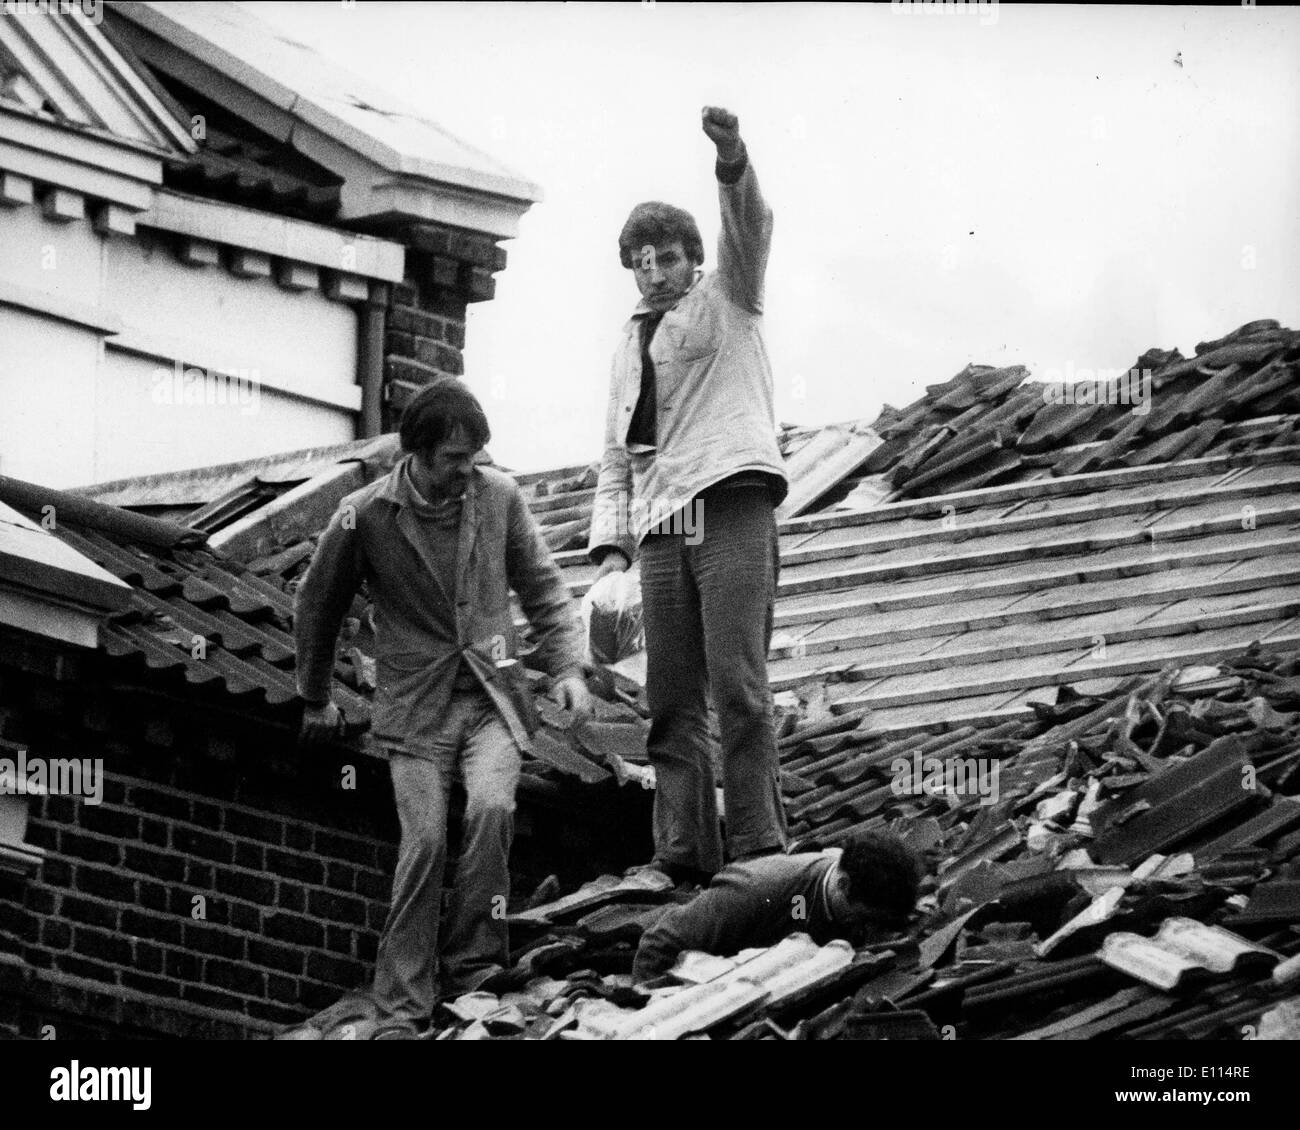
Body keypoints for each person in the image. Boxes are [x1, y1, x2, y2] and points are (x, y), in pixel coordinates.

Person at [295, 379, 592, 1037]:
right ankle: (403, 996)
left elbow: (545, 588)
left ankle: (474, 964)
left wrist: (567, 667)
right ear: (419, 454)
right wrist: (315, 696)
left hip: (492, 697)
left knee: (492, 810)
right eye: (456, 458)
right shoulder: (364, 514)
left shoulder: (500, 498)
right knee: (425, 840)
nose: (469, 469)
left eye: (476, 455)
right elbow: (318, 606)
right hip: (415, 705)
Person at [588, 106, 790, 885]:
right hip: (664, 522)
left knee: (738, 682)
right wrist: (612, 547)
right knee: (670, 695)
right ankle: (680, 853)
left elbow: (750, 225)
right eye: (641, 261)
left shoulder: (730, 295)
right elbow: (615, 448)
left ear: (692, 259)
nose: (654, 272)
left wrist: (732, 157)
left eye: (667, 258)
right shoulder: (626, 344)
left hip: (732, 499)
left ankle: (759, 847)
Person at [632, 832, 923, 983]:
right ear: (843, 885)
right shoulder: (757, 890)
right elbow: (658, 945)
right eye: (865, 919)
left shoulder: (866, 898)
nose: (868, 932)